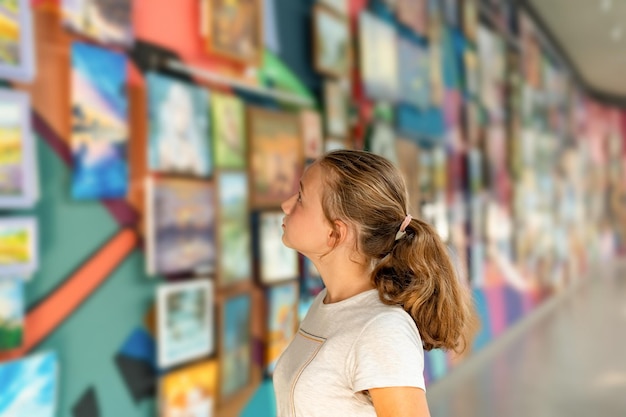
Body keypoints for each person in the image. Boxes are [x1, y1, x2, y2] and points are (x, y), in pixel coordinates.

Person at [273, 150, 477, 417]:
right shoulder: (326, 303)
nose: (286, 205)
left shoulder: (381, 330)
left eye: (301, 198)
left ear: (336, 232)